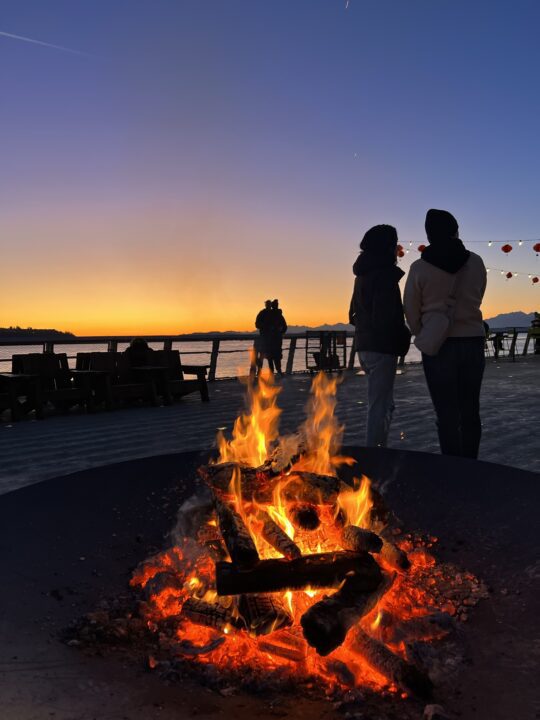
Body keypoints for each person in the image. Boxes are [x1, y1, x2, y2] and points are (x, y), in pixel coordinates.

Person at [404, 209, 487, 459]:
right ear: (455, 230)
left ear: (429, 234)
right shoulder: (476, 261)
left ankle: (452, 467)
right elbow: (479, 295)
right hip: (472, 340)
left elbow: (410, 308)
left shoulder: (419, 267)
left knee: (446, 413)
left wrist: (426, 334)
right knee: (470, 409)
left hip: (439, 346)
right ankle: (472, 463)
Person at [349, 225, 411, 447]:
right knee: (380, 405)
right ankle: (375, 454)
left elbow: (353, 314)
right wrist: (404, 334)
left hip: (364, 345)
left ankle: (377, 449)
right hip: (381, 346)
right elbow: (385, 317)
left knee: (382, 402)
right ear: (388, 246)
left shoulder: (362, 274)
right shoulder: (384, 275)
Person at [267, 299, 288, 376]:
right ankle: (277, 371)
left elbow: (285, 326)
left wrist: (279, 332)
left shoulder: (271, 315)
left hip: (273, 338)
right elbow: (285, 327)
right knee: (276, 355)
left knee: (272, 355)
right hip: (275, 338)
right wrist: (280, 333)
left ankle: (274, 372)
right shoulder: (279, 315)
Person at [254, 300, 274, 373]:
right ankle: (260, 372)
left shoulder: (271, 313)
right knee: (265, 356)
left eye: (269, 304)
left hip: (269, 339)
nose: (269, 306)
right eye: (268, 304)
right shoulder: (262, 313)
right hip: (265, 338)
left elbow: (257, 324)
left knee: (269, 357)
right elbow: (257, 324)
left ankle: (269, 373)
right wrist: (266, 327)